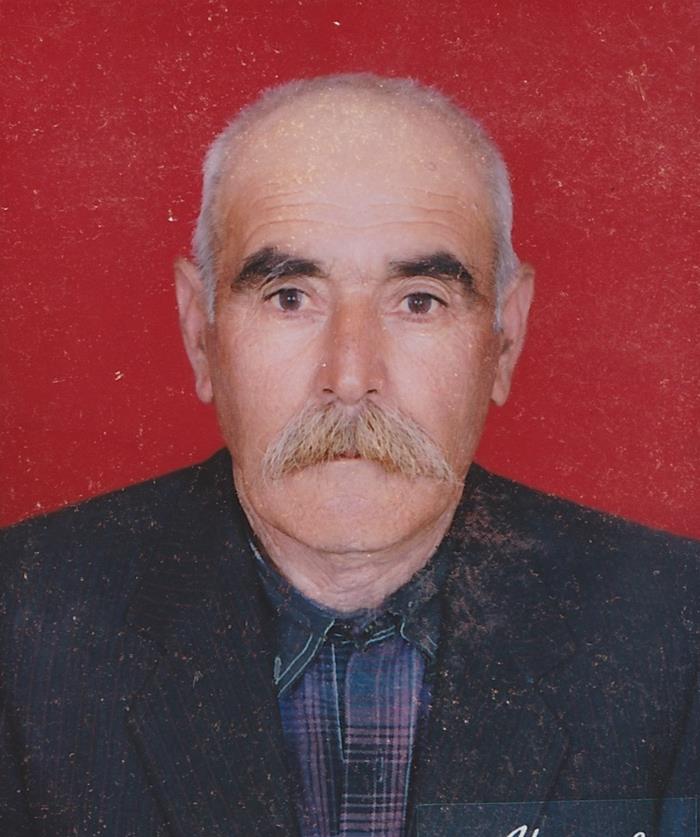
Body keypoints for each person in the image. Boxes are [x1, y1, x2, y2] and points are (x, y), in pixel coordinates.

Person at [1, 73, 697, 837]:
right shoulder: (21, 627)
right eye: (290, 296)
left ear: (505, 339)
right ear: (201, 331)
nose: (351, 376)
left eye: (420, 299)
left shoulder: (677, 627)